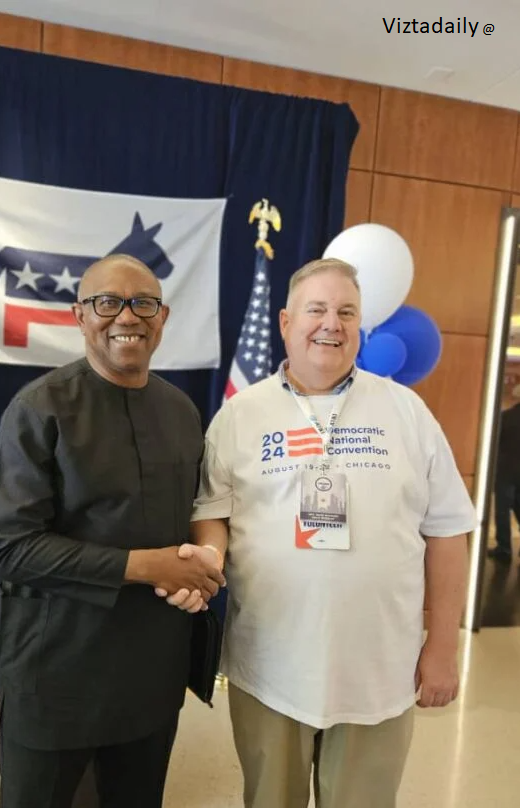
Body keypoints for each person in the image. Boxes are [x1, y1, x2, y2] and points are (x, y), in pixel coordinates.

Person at [164, 258, 476, 808]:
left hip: (379, 671)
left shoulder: (408, 412)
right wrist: (209, 558)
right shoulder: (241, 416)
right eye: (317, 309)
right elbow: (212, 511)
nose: (332, 323)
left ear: (361, 327)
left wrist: (444, 646)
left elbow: (449, 532)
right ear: (286, 322)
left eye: (346, 312)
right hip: (270, 666)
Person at [0, 254, 225, 808]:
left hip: (152, 676)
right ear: (80, 315)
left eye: (143, 303)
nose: (127, 316)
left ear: (161, 317)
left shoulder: (183, 413)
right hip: (56, 672)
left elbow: (189, 526)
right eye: (107, 302)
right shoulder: (37, 409)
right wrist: (145, 565)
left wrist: (194, 568)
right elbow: (12, 550)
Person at [488, 401, 520, 562]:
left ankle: (504, 548)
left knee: (502, 511)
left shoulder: (505, 417)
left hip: (505, 471)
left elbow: (494, 444)